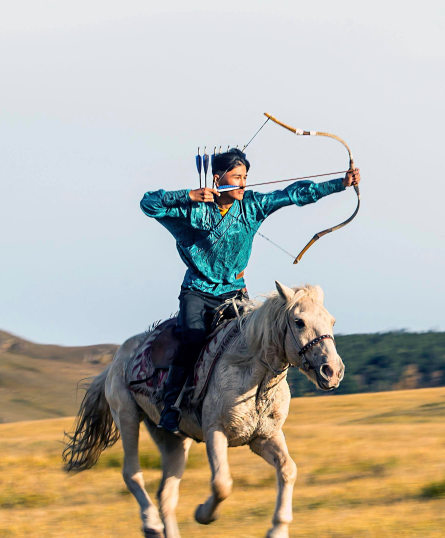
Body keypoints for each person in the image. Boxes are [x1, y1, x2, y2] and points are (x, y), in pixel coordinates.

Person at [139, 148, 360, 433]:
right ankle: (171, 407)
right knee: (192, 340)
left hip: (234, 293)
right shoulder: (192, 210)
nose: (243, 184)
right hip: (197, 292)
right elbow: (148, 203)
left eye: (246, 177)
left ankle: (257, 405)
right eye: (237, 177)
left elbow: (293, 194)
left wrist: (339, 184)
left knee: (256, 339)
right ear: (218, 179)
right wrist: (188, 196)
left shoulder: (251, 206)